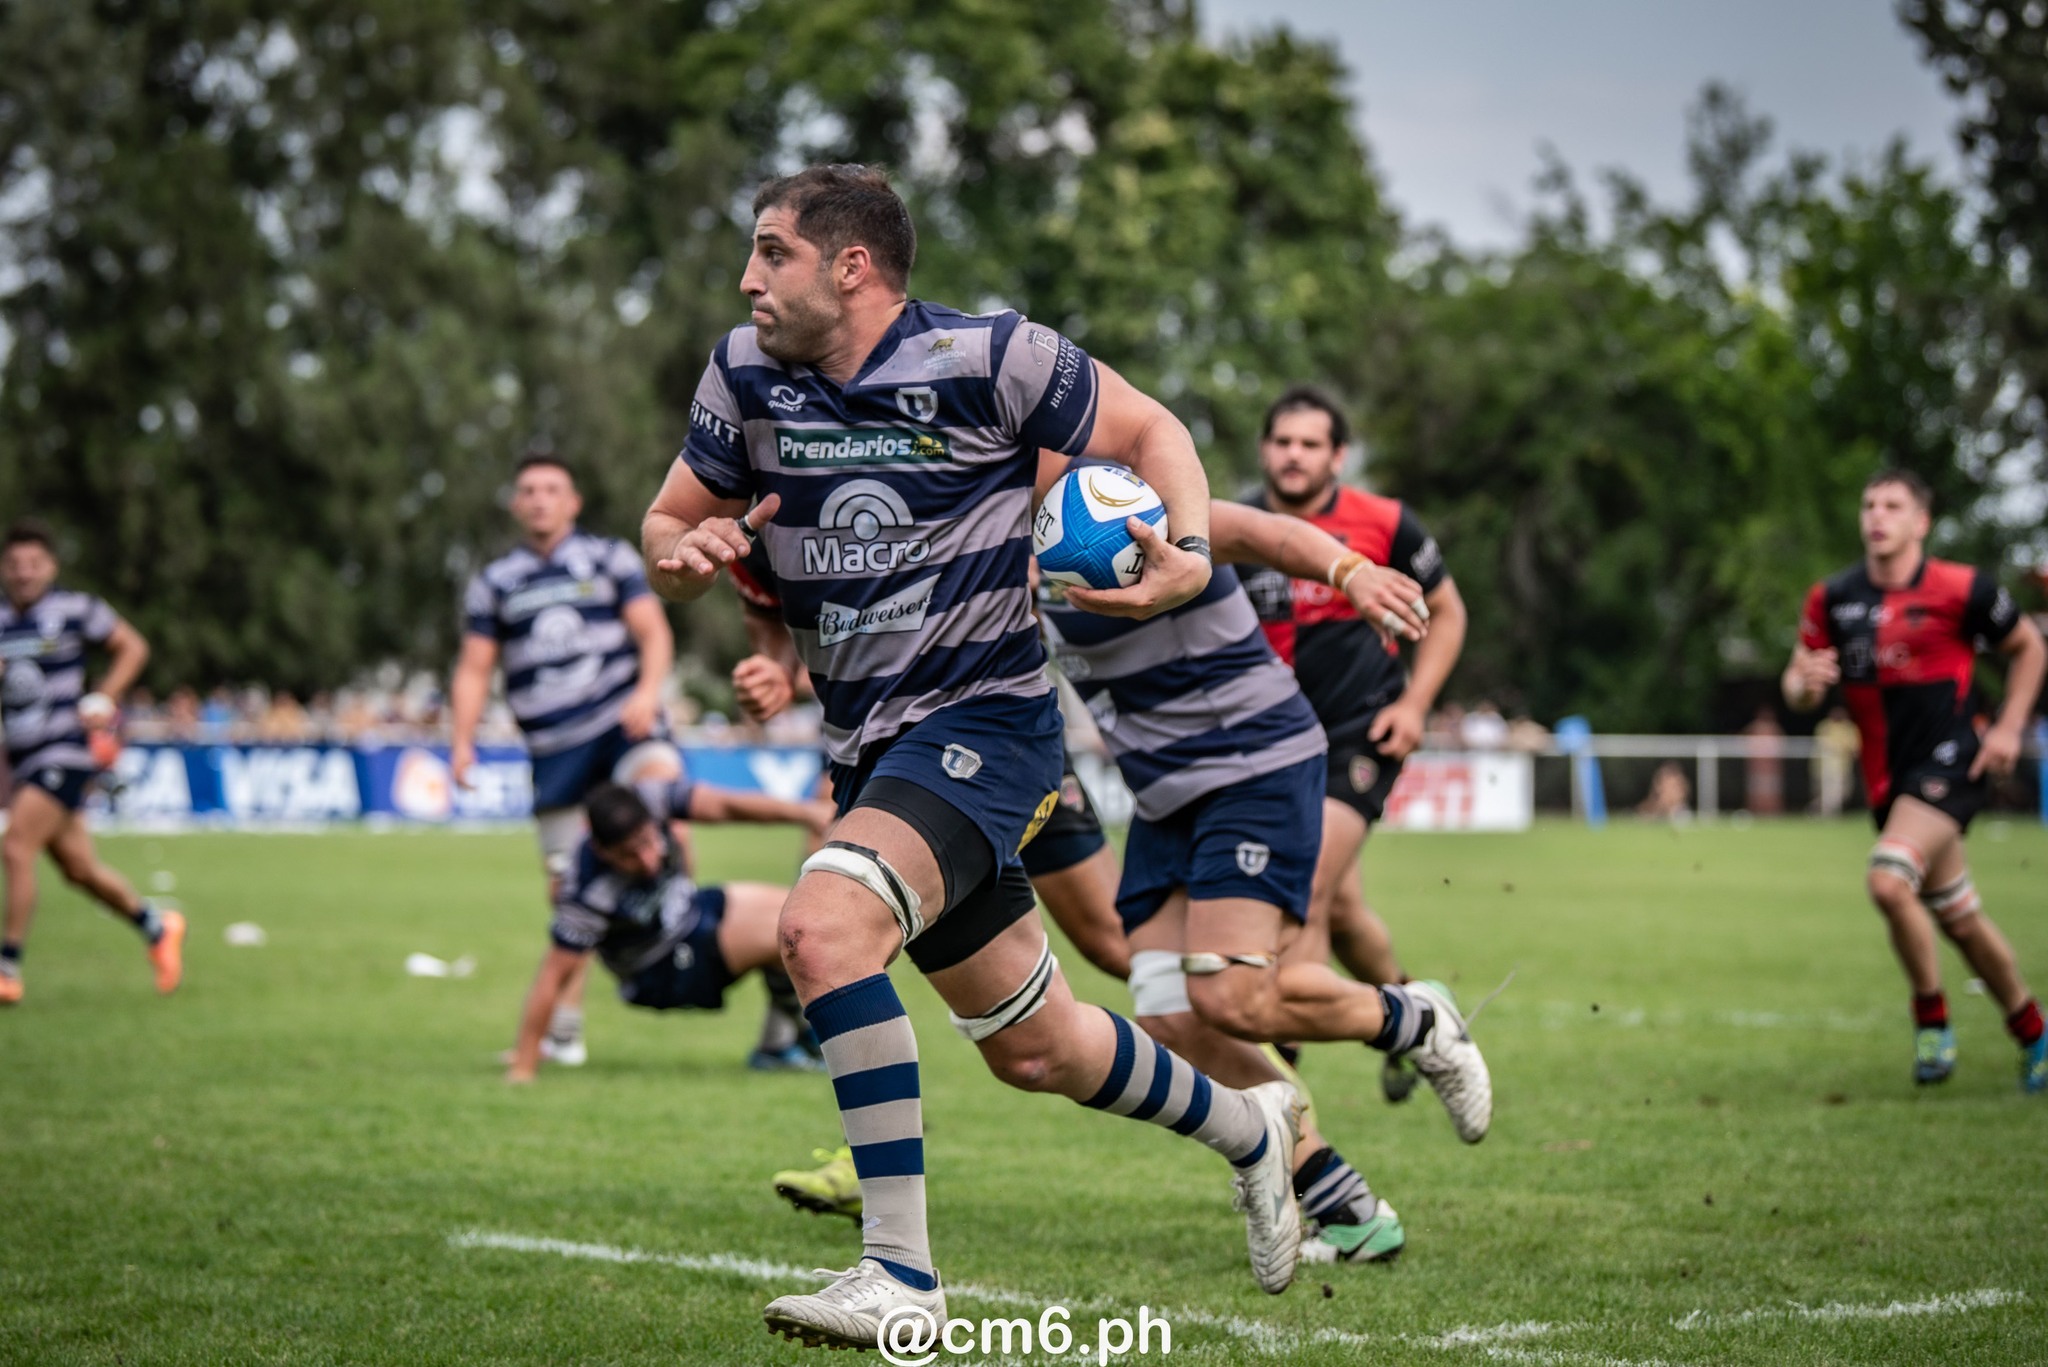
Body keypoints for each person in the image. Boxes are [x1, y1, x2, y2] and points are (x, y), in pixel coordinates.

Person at [645, 163, 1311, 1349]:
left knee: (821, 926)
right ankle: (1254, 1130)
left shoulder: (990, 357)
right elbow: (664, 518)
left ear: (852, 267)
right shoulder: (739, 372)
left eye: (771, 252)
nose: (747, 277)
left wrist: (1193, 548)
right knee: (1035, 1045)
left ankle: (898, 1273)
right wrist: (685, 544)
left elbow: (1151, 425)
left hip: (985, 726)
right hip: (867, 746)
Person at [1238, 386, 1470, 1103]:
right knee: (1341, 913)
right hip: (1273, 743)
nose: (1294, 455)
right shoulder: (1237, 525)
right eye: (1283, 441)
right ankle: (1413, 1015)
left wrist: (1415, 703)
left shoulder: (1386, 523)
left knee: (1303, 885)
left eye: (1311, 444)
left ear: (1339, 455)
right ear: (1264, 448)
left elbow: (1449, 611)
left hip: (1359, 735)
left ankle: (1283, 1077)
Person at [1784, 469, 2047, 1091]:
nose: (1877, 515)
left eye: (1893, 505)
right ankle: (2035, 1035)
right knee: (1958, 916)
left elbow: (2030, 647)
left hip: (1954, 759)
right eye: (1869, 503)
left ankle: (1932, 1021)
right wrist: (1803, 685)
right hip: (1889, 780)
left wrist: (2009, 728)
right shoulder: (1832, 598)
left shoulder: (1963, 588)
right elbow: (1797, 686)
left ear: (1920, 522)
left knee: (1887, 878)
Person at [452, 454, 677, 1069]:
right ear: (515, 506)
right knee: (567, 891)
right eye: (528, 490)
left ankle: (677, 913)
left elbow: (653, 633)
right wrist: (462, 741)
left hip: (621, 727)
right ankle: (565, 1032)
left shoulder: (607, 559)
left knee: (663, 791)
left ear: (573, 502)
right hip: (554, 753)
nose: (540, 499)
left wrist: (647, 693)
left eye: (552, 489)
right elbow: (474, 668)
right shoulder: (496, 582)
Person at [505, 777, 835, 1082]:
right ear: (601, 850)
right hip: (659, 966)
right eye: (628, 856)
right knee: (792, 931)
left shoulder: (653, 798)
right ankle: (809, 1040)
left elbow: (725, 806)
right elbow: (552, 976)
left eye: (648, 841)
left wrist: (807, 814)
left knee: (799, 913)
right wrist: (524, 1066)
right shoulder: (587, 890)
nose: (648, 860)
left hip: (690, 910)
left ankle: (780, 1046)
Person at [0, 519, 183, 1004]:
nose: (23, 573)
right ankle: (158, 927)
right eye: (14, 564)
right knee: (79, 869)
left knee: (16, 847)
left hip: (63, 751)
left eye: (33, 564)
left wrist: (105, 696)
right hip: (20, 760)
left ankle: (7, 966)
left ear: (51, 567)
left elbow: (133, 646)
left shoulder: (75, 609)